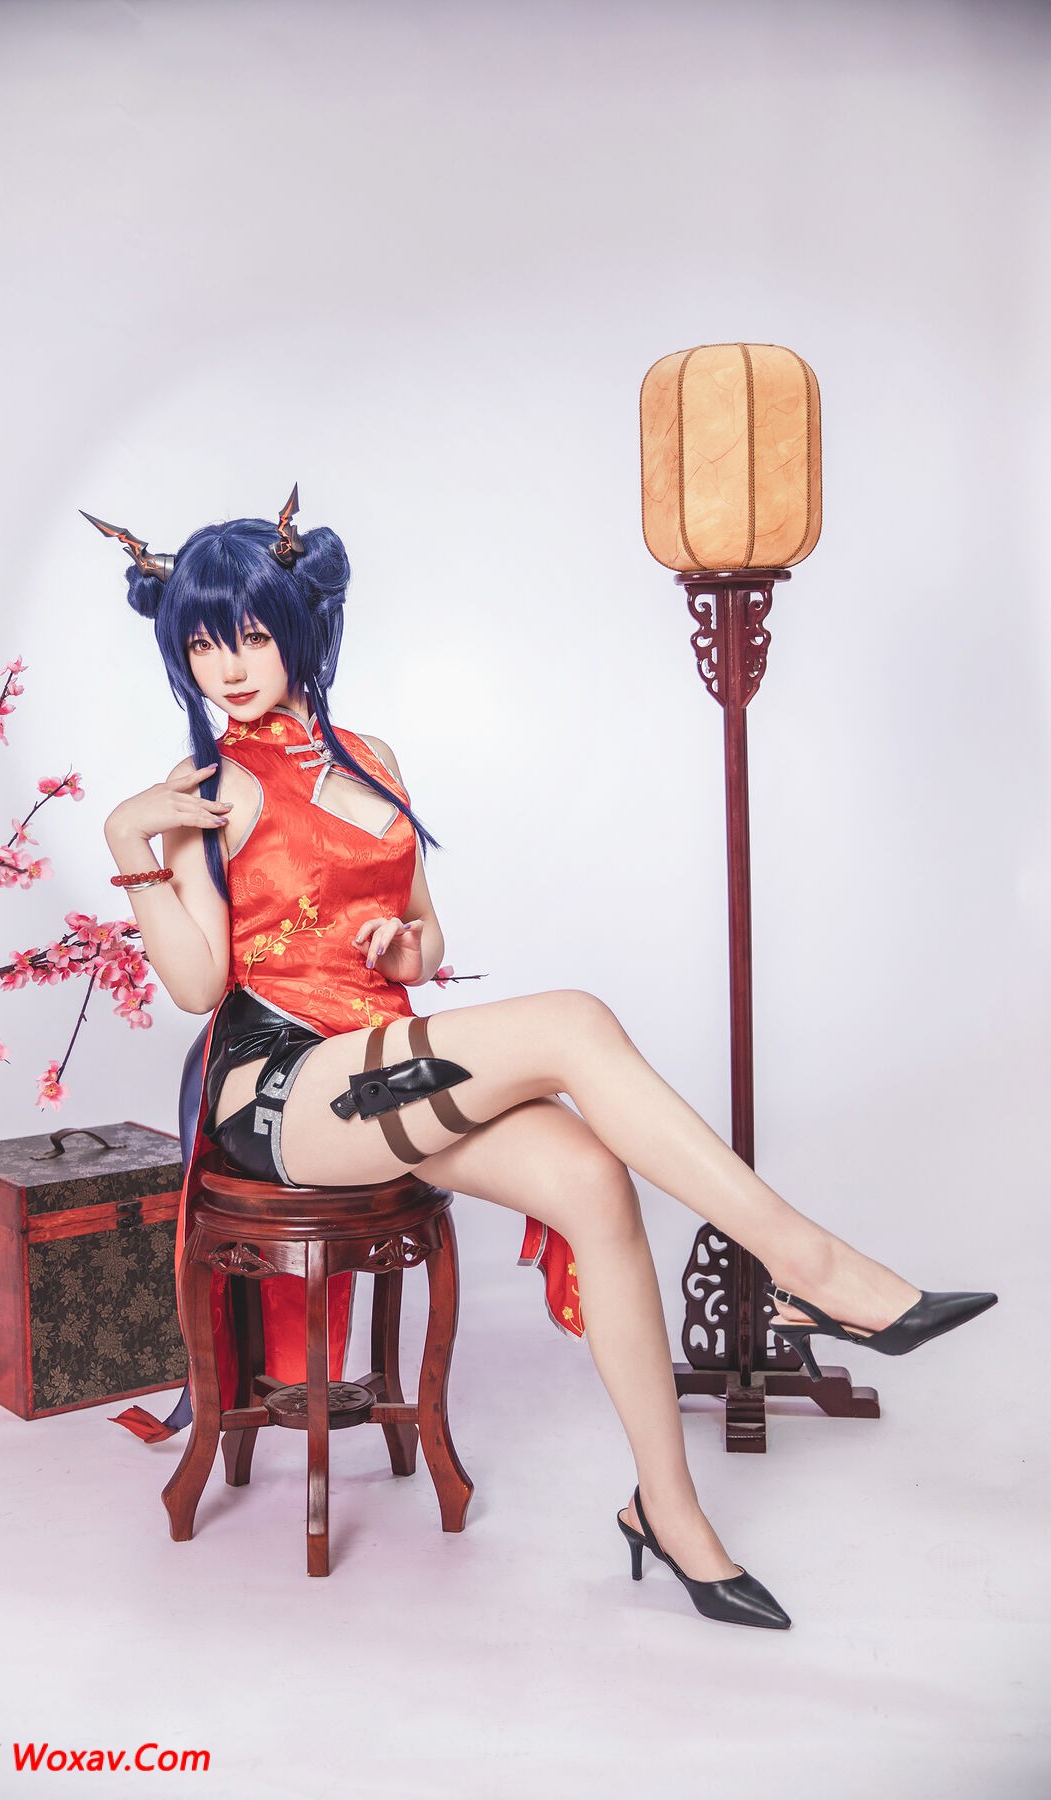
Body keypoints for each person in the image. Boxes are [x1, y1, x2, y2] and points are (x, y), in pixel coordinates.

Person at [93, 490, 997, 1630]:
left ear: (300, 630)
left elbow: (427, 934)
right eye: (201, 644)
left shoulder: (371, 758)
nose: (227, 667)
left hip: (379, 1055)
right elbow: (195, 986)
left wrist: (404, 946)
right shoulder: (199, 795)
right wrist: (129, 839)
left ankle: (668, 1512)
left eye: (252, 635)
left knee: (592, 1180)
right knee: (573, 1021)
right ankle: (806, 1266)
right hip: (280, 1088)